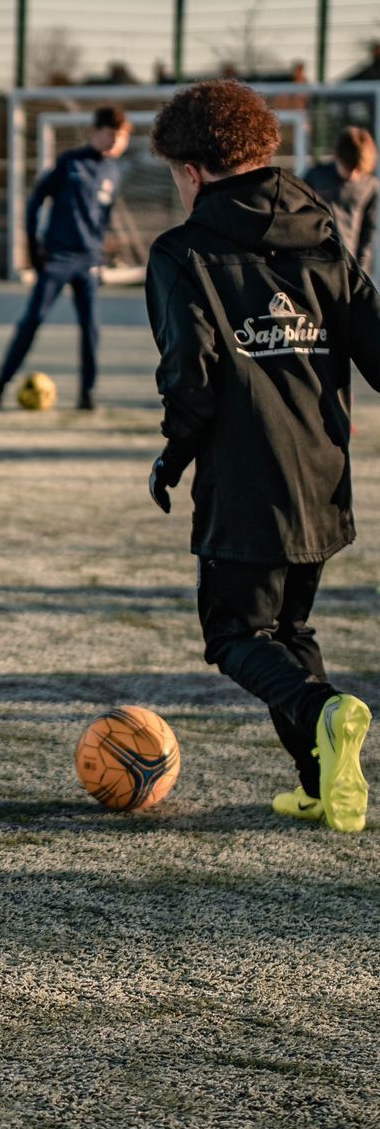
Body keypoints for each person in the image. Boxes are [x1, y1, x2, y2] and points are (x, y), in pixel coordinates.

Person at [145, 80, 380, 832]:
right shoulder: (322, 232)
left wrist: (173, 456)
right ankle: (321, 781)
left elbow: (192, 375)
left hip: (248, 480)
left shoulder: (182, 251)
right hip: (322, 473)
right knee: (290, 629)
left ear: (191, 170)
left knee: (236, 634)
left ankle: (322, 710)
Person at [0, 105, 131, 411]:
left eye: (121, 138)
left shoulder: (113, 171)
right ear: (96, 132)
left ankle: (87, 395)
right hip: (58, 256)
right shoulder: (69, 163)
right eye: (111, 135)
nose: (115, 142)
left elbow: (102, 217)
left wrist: (103, 249)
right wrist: (31, 243)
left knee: (91, 327)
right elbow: (35, 200)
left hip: (89, 260)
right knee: (32, 320)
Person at [305, 126, 377, 276]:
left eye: (358, 170)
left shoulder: (371, 186)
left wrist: (360, 270)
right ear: (336, 157)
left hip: (348, 264)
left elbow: (368, 232)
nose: (352, 175)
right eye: (348, 167)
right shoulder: (315, 176)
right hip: (315, 261)